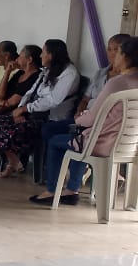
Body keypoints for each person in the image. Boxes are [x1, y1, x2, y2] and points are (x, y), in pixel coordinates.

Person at [29, 35, 138, 206]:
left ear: (125, 56)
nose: (113, 56)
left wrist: (80, 120)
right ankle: (72, 190)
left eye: (117, 52)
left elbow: (92, 118)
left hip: (103, 142)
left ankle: (53, 191)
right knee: (78, 138)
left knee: (58, 141)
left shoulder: (117, 82)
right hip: (129, 144)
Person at [0, 39, 80, 178]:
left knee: (13, 130)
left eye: (43, 52)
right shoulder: (47, 71)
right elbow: (31, 93)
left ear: (51, 55)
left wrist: (26, 109)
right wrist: (20, 109)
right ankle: (14, 161)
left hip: (49, 117)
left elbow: (53, 100)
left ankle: (15, 163)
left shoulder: (69, 73)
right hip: (32, 112)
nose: (40, 56)